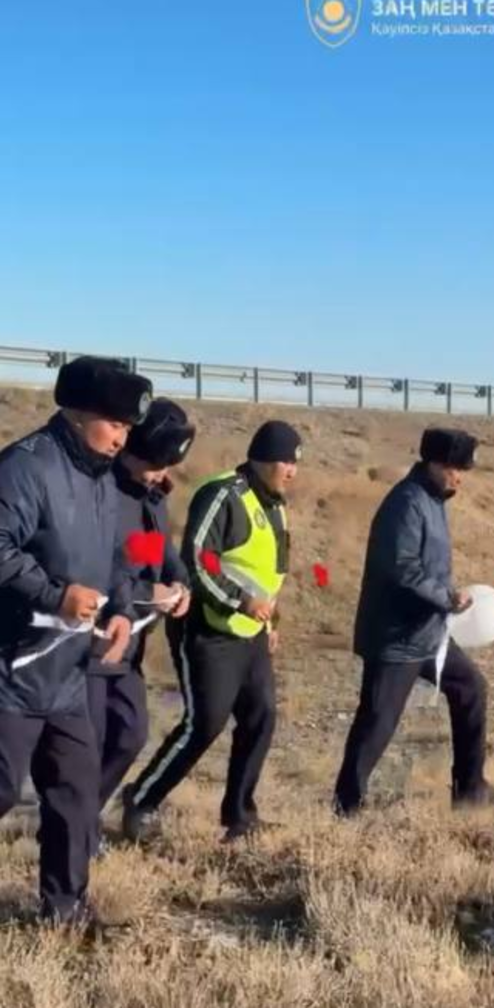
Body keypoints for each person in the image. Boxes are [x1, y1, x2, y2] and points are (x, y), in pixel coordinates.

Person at [0, 356, 149, 924]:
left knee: (75, 791)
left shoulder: (102, 480)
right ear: (80, 413)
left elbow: (113, 556)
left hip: (67, 672)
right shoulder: (23, 468)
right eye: (116, 425)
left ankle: (65, 912)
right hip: (12, 666)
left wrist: (118, 609)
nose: (123, 438)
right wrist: (55, 594)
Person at [125, 421, 300, 843]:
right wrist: (241, 600)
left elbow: (269, 574)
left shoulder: (275, 503)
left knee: (261, 717)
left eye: (295, 462)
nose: (291, 470)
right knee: (205, 724)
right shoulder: (222, 494)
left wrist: (269, 622)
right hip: (207, 629)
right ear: (261, 459)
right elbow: (199, 563)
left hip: (250, 632)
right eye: (285, 461)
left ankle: (240, 816)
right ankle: (141, 800)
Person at [334, 429, 494, 815]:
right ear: (434, 463)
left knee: (471, 689)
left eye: (463, 468)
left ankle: (470, 791)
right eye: (455, 467)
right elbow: (403, 568)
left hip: (427, 631)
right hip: (396, 636)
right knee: (378, 721)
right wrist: (447, 597)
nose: (461, 475)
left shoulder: (432, 498)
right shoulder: (406, 503)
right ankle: (346, 807)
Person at [88, 398, 194, 849]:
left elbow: (162, 555)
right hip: (92, 642)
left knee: (130, 735)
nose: (159, 473)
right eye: (154, 463)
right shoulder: (100, 492)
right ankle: (76, 829)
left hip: (130, 645)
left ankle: (81, 813)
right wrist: (142, 593)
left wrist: (180, 584)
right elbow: (96, 566)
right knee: (86, 744)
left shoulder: (150, 497)